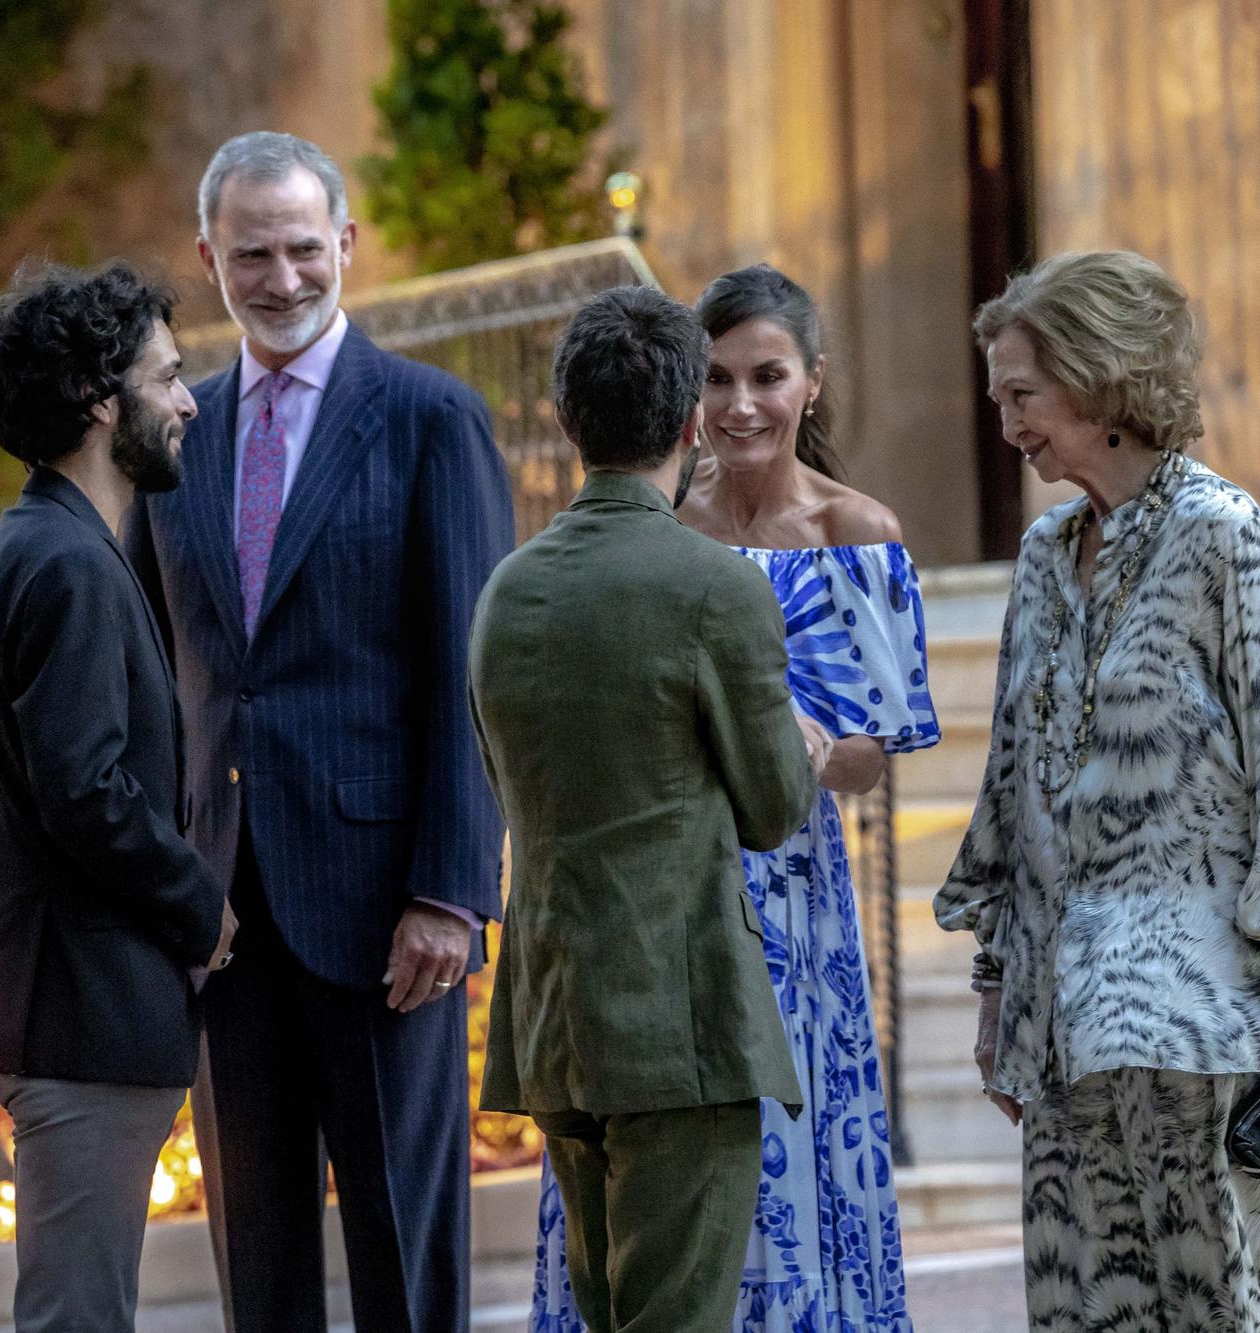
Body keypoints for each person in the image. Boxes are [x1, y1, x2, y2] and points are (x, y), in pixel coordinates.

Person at [933, 250, 1260, 1332]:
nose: (1006, 424)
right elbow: (1010, 781)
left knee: (1216, 1303)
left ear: (1096, 385)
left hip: (1196, 1015)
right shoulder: (1044, 555)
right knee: (1082, 1303)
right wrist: (997, 983)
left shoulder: (1222, 534)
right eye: (997, 397)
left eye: (1020, 394)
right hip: (1062, 1015)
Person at [120, 130, 513, 1332]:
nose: (281, 277)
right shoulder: (175, 433)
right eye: (252, 255)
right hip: (223, 916)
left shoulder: (429, 418)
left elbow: (470, 672)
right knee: (257, 1253)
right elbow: (157, 668)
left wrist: (449, 891)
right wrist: (164, 880)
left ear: (345, 244)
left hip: (385, 912)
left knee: (404, 1240)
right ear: (208, 257)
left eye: (302, 249)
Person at [529, 264, 939, 1330]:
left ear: (812, 384)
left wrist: (801, 745)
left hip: (789, 894)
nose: (740, 403)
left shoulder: (861, 530)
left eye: (767, 375)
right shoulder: (654, 522)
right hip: (655, 886)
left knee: (781, 1144)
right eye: (715, 378)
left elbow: (870, 755)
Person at [474, 284, 834, 1333]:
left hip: (553, 1014)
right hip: (678, 1017)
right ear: (689, 423)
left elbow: (511, 779)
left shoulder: (505, 590)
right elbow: (773, 808)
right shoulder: (711, 586)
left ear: (564, 421)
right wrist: (798, 749)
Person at [0, 262, 236, 1332]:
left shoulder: (47, 545)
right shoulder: (64, 561)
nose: (188, 399)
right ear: (99, 401)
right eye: (166, 375)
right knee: (77, 1318)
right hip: (82, 1019)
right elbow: (83, 790)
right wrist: (199, 907)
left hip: (68, 1002)